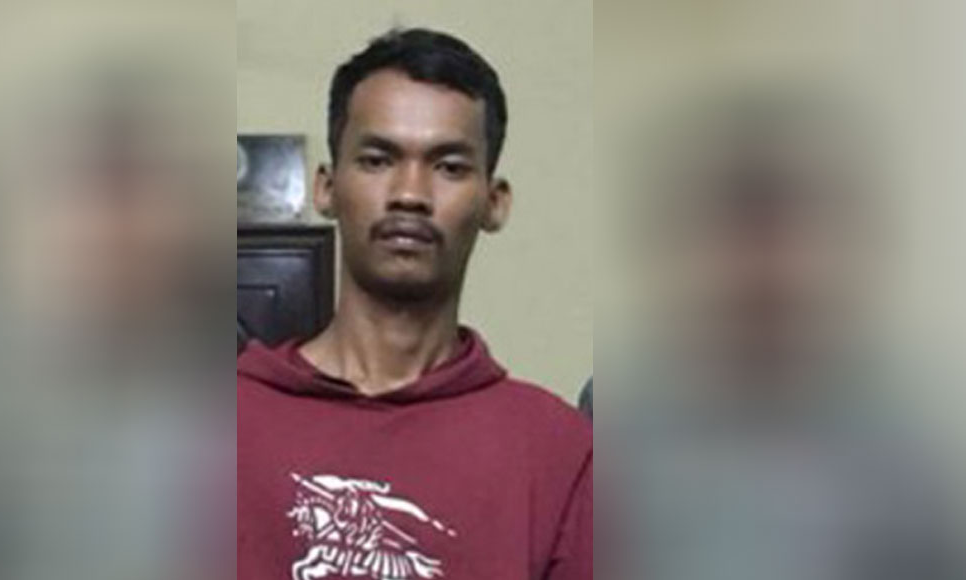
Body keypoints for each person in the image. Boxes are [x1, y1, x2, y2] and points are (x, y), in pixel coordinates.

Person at [237, 28, 592, 580]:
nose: (410, 194)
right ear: (326, 187)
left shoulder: (559, 451)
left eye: (449, 166)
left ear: (494, 202)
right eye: (377, 159)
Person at [605, 92, 963, 580]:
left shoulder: (921, 436)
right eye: (740, 230)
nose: (770, 265)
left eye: (793, 231)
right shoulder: (620, 414)